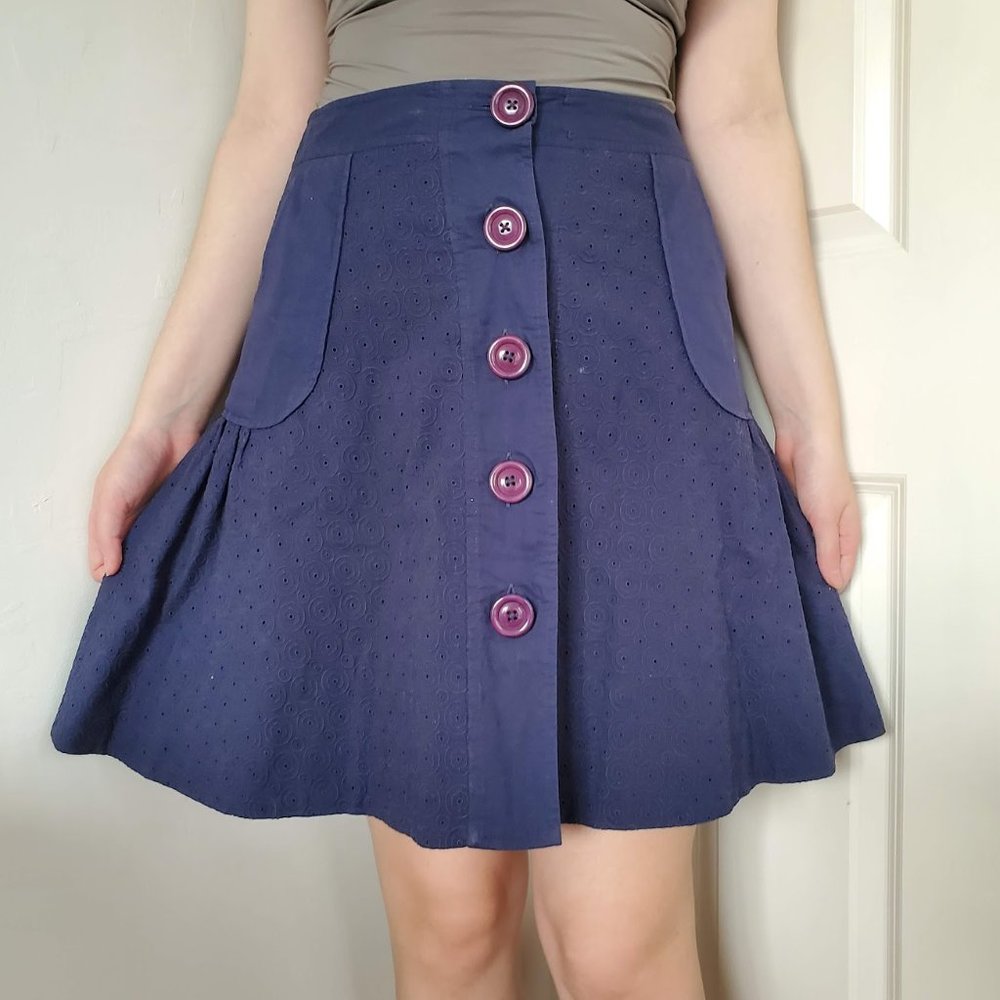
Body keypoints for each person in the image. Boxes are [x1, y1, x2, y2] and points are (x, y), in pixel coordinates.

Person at [50, 1, 887, 996]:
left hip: (623, 311)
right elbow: (272, 114)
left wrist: (809, 424)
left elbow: (739, 110)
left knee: (620, 948)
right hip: (384, 322)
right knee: (453, 928)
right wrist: (162, 420)